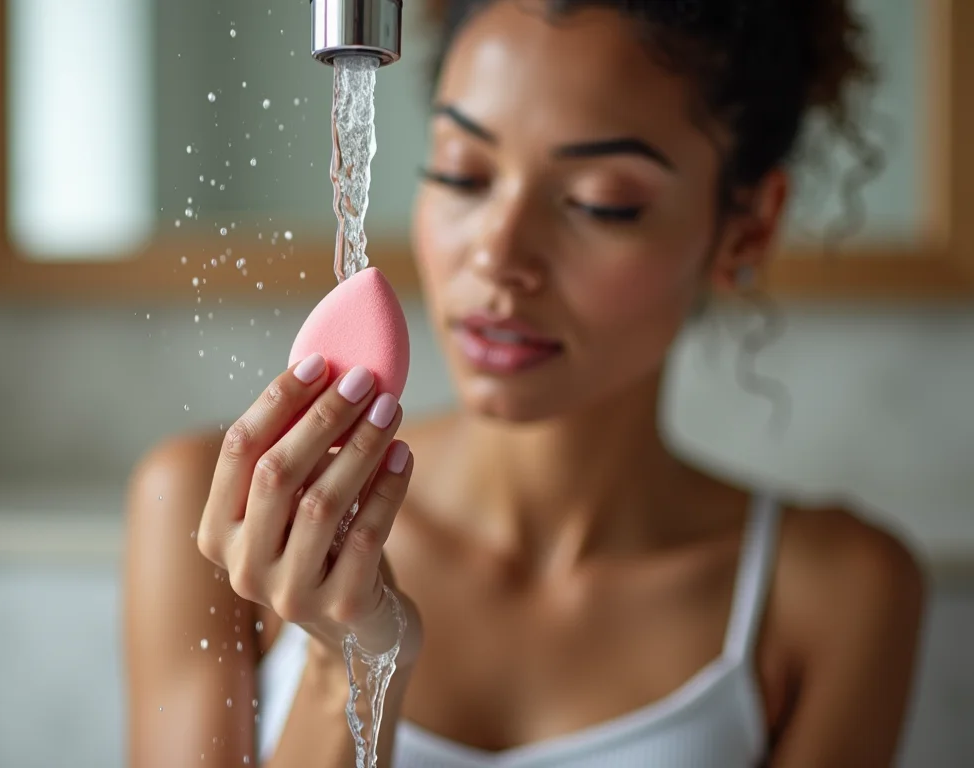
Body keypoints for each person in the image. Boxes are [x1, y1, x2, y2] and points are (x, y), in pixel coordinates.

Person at [123, 1, 927, 765]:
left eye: (601, 203)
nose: (498, 255)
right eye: (463, 175)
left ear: (747, 229)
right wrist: (351, 668)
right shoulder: (221, 509)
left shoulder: (835, 594)